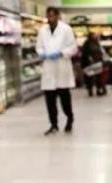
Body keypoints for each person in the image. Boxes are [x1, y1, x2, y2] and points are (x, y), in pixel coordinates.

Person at [36, 7, 76, 135]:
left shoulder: (66, 29)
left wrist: (61, 53)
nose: (50, 18)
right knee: (50, 101)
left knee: (65, 100)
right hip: (48, 69)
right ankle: (54, 124)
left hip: (62, 68)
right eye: (48, 16)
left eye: (52, 16)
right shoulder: (42, 30)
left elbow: (73, 47)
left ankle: (69, 118)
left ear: (58, 16)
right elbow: (39, 46)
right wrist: (42, 53)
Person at [80, 32, 106, 97]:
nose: (95, 36)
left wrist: (101, 58)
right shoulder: (87, 43)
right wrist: (89, 58)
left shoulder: (96, 42)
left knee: (98, 77)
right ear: (90, 36)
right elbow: (85, 53)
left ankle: (98, 90)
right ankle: (90, 90)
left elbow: (100, 51)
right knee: (90, 78)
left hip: (97, 62)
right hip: (90, 63)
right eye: (94, 35)